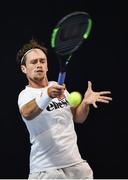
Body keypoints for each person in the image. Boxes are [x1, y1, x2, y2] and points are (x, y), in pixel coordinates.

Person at [16, 39, 112, 179]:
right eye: (34, 62)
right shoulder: (25, 95)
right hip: (46, 170)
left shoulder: (58, 87)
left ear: (47, 66)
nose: (39, 65)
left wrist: (85, 104)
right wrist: (47, 95)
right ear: (24, 68)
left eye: (42, 61)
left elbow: (78, 118)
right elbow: (27, 113)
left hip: (77, 167)